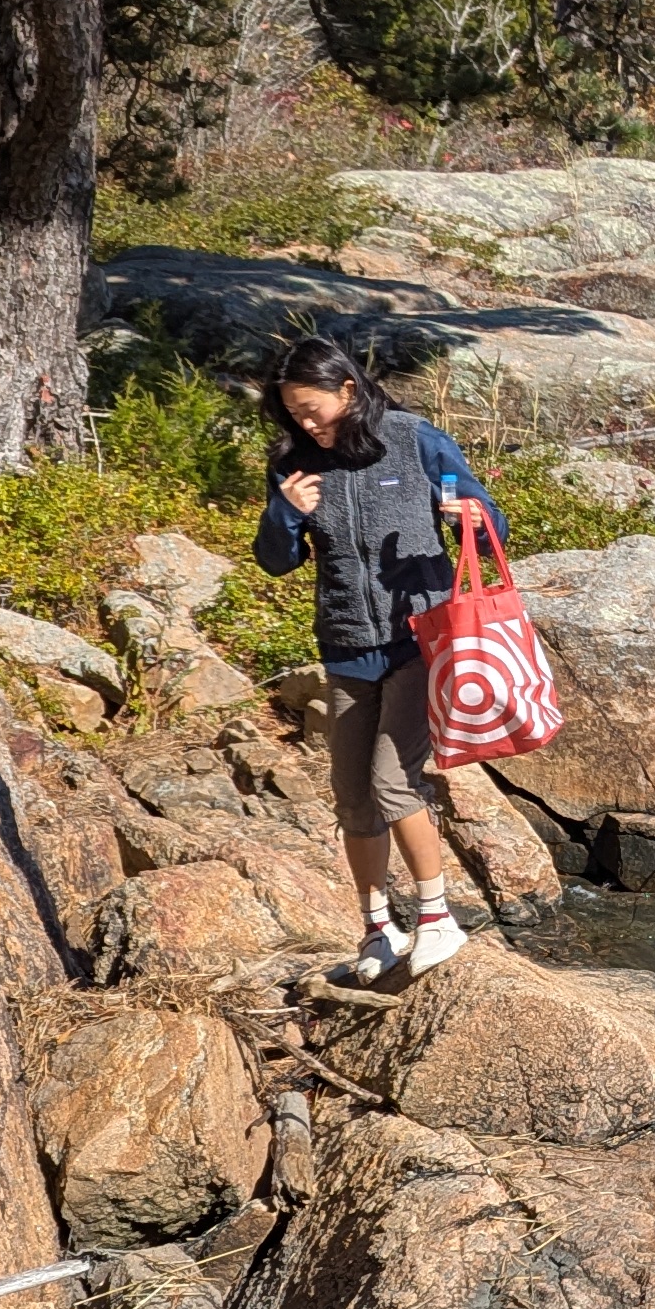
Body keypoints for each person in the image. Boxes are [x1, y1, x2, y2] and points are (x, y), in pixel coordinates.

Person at [251, 337, 507, 985]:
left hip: (421, 640)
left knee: (396, 783)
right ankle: (377, 930)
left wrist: (470, 517)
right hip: (345, 648)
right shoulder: (295, 465)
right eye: (293, 413)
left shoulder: (415, 439)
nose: (306, 424)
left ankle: (437, 919)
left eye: (313, 409)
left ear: (347, 390)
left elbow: (491, 525)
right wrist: (285, 514)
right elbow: (276, 559)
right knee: (353, 796)